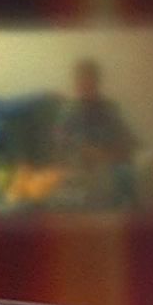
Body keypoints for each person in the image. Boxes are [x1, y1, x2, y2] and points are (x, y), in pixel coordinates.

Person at [54, 58, 138, 207]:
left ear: (97, 83)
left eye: (89, 81)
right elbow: (59, 142)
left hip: (109, 165)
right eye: (81, 81)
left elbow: (127, 140)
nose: (85, 86)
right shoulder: (67, 111)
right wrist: (81, 151)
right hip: (77, 167)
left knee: (125, 174)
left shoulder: (109, 109)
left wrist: (107, 155)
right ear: (76, 84)